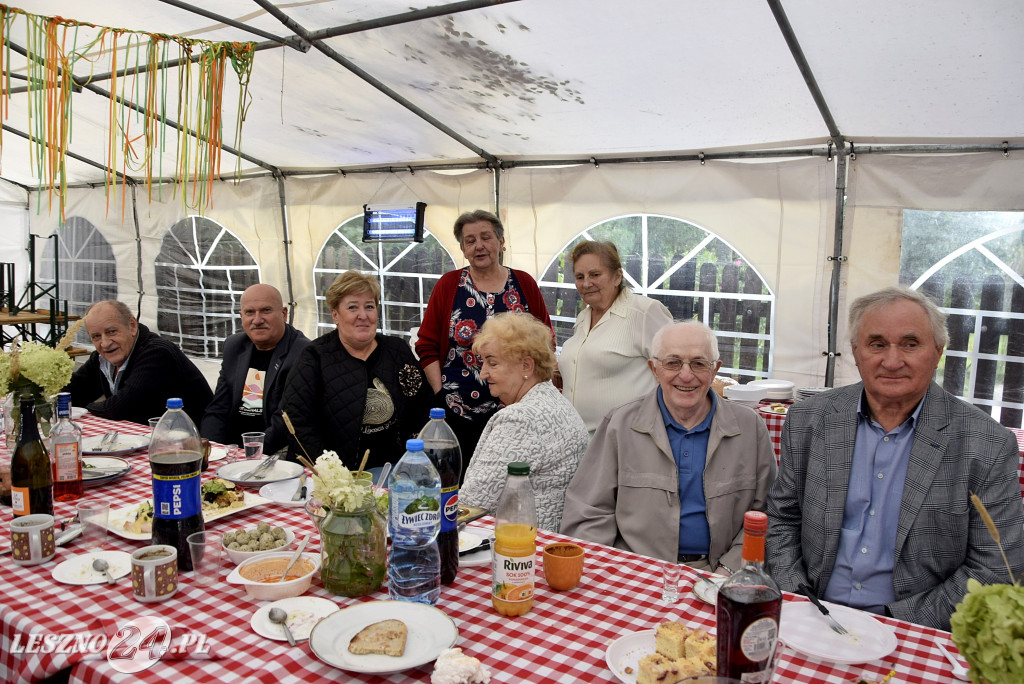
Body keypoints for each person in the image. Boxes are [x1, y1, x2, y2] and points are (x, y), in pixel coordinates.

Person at [766, 286, 1024, 631]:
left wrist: (894, 623)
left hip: (915, 629)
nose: (891, 360)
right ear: (856, 353)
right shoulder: (808, 420)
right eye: (876, 344)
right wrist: (799, 598)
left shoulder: (987, 445)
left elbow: (995, 567)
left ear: (938, 352)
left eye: (910, 344)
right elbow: (782, 519)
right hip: (811, 614)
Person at [561, 320, 776, 573]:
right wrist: (610, 572)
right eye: (673, 363)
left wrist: (729, 569)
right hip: (634, 570)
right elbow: (588, 512)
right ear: (654, 369)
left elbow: (769, 514)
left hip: (719, 571)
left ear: (715, 370)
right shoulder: (620, 425)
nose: (686, 375)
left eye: (699, 363)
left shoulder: (750, 428)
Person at [416, 209, 552, 478]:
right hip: (457, 411)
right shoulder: (448, 285)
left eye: (486, 237)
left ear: (501, 243)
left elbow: (544, 341)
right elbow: (427, 345)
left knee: (506, 485)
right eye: (470, 240)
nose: (479, 245)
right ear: (463, 249)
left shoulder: (524, 284)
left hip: (515, 415)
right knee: (454, 485)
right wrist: (440, 392)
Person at [283, 270, 432, 470]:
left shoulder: (397, 351)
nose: (363, 315)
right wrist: (332, 473)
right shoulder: (314, 357)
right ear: (335, 314)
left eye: (369, 306)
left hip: (393, 469)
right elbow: (298, 421)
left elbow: (421, 406)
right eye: (352, 307)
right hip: (334, 476)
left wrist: (412, 460)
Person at [460, 312, 588, 533]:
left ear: (527, 366)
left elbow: (473, 504)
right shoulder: (556, 402)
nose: (483, 374)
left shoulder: (521, 420)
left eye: (492, 363)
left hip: (521, 549)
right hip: (551, 540)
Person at [558, 240, 673, 433]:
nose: (586, 283)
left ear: (617, 276)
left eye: (595, 274)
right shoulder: (583, 317)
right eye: (580, 276)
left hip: (626, 440)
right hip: (578, 440)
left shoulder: (644, 312)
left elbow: (675, 371)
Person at [201, 284, 309, 455]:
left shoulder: (303, 354)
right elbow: (218, 408)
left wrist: (247, 455)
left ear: (284, 314)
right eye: (250, 312)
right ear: (241, 316)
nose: (257, 320)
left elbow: (284, 423)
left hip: (276, 452)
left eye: (266, 311)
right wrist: (211, 449)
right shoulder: (234, 346)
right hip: (232, 450)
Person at [66, 299, 212, 425]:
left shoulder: (158, 353)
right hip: (143, 439)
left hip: (191, 444)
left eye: (111, 331)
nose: (105, 343)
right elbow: (70, 396)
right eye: (96, 336)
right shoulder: (101, 358)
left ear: (132, 326)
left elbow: (119, 408)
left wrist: (82, 409)